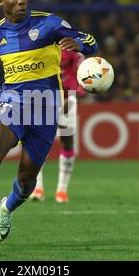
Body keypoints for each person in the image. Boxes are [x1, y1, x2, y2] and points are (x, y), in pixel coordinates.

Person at [0, 0, 97, 245]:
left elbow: (90, 41)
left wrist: (82, 45)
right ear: (1, 2)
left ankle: (7, 208)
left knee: (27, 180)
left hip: (47, 107)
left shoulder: (50, 23)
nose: (21, 2)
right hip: (13, 102)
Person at [30, 49, 85, 203]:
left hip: (68, 101)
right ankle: (37, 188)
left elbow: (83, 78)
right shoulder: (40, 47)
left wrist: (75, 95)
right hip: (43, 100)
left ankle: (62, 190)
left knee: (67, 142)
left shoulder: (74, 52)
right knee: (38, 143)